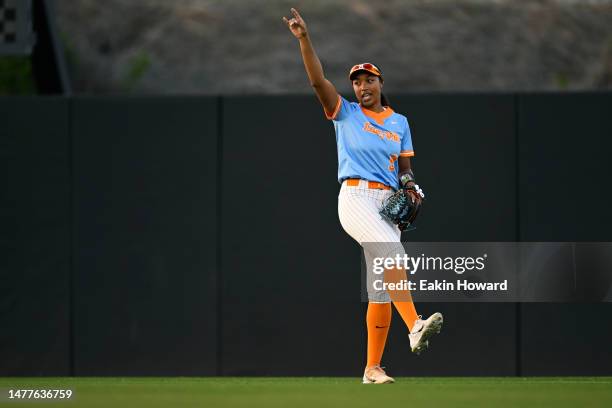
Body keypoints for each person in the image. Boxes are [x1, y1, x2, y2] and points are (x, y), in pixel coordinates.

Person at [283, 8, 443, 384]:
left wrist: (409, 186)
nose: (362, 87)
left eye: (368, 80)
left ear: (380, 81)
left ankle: (372, 368)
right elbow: (316, 80)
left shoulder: (399, 122)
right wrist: (304, 38)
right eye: (356, 82)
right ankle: (415, 325)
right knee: (392, 252)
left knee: (380, 289)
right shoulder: (345, 113)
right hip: (355, 198)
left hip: (386, 203)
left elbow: (405, 169)